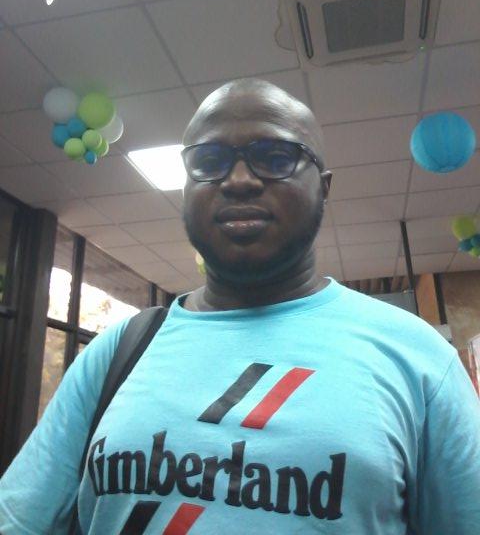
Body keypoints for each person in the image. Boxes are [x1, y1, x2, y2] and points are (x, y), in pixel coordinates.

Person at [0, 79, 479, 534]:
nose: (240, 180)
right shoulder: (117, 352)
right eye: (209, 160)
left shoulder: (415, 356)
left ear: (324, 187)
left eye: (276, 157)